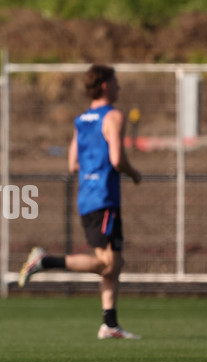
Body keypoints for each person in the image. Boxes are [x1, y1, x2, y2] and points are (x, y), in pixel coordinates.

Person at [18, 64, 142, 340]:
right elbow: (117, 159)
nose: (119, 86)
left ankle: (110, 323)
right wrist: (134, 174)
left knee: (115, 263)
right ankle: (46, 261)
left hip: (87, 196)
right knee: (107, 264)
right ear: (106, 85)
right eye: (116, 82)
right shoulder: (113, 116)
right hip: (104, 197)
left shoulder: (82, 119)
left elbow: (73, 163)